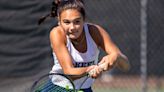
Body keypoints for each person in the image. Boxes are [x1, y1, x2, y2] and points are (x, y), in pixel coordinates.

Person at [39, 0, 130, 92]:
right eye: (67, 22)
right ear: (59, 21)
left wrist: (116, 57)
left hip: (85, 89)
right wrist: (90, 69)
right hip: (57, 88)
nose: (72, 27)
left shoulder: (96, 32)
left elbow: (125, 66)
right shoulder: (57, 33)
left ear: (84, 19)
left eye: (77, 21)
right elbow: (69, 72)